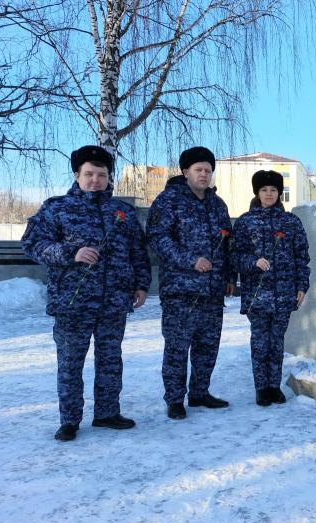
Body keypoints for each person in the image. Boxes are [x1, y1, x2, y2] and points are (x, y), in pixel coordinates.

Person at [22, 145, 151, 441]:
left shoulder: (124, 213)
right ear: (77, 175)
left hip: (114, 301)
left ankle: (107, 413)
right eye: (89, 174)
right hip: (72, 302)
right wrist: (71, 252)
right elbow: (32, 244)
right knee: (70, 363)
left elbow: (138, 252)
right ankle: (69, 420)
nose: (95, 180)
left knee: (110, 359)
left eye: (101, 174)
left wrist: (142, 285)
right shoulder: (56, 208)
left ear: (109, 177)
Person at [147, 146, 235, 420]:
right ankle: (175, 399)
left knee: (208, 345)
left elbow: (226, 245)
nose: (204, 175)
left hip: (212, 290)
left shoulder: (218, 205)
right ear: (185, 172)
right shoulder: (168, 201)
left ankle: (199, 392)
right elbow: (158, 238)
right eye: (198, 169)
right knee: (177, 347)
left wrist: (229, 277)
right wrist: (189, 260)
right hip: (180, 290)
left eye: (208, 170)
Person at [232, 170, 310, 406]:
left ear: (279, 193)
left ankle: (274, 386)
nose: (269, 194)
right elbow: (234, 256)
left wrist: (301, 286)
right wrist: (253, 262)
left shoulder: (291, 222)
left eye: (274, 190)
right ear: (257, 192)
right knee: (259, 342)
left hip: (284, 294)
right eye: (264, 190)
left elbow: (302, 257)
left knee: (277, 342)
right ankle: (261, 388)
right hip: (258, 296)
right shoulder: (246, 222)